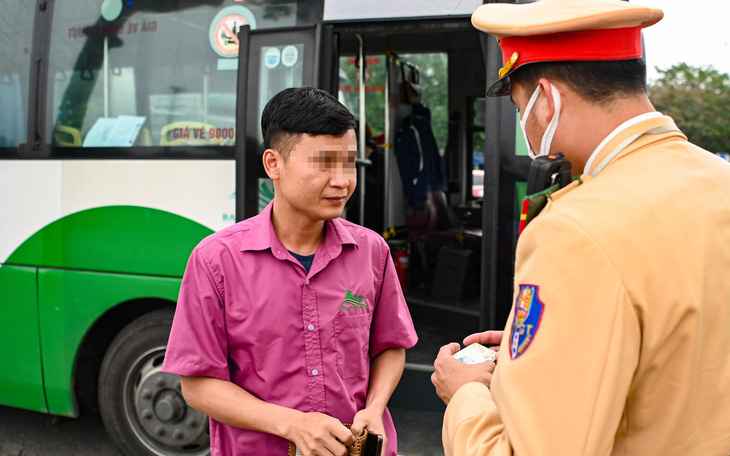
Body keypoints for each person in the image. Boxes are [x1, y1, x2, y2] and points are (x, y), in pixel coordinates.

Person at [431, 0, 730, 454]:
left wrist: (466, 395)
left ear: (547, 102)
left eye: (519, 109)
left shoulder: (575, 230)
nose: (527, 131)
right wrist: (524, 354)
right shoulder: (716, 179)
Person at [163, 86, 418, 456]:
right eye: (324, 163)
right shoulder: (216, 260)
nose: (342, 180)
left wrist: (374, 408)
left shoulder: (372, 251)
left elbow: (390, 347)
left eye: (349, 163)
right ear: (273, 165)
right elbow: (198, 384)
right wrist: (293, 425)